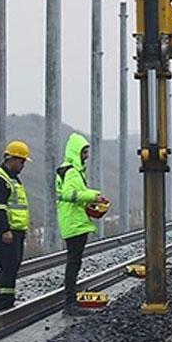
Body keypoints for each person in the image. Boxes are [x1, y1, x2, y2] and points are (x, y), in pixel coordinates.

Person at [56, 132, 106, 315]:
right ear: (76, 152)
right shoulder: (71, 172)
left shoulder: (73, 171)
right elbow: (70, 194)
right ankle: (69, 302)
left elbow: (78, 192)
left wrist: (95, 194)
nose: (86, 156)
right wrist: (94, 196)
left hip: (75, 221)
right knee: (73, 261)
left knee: (74, 261)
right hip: (74, 222)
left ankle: (70, 299)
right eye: (84, 152)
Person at [0, 140, 32, 316]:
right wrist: (4, 230)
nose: (23, 165)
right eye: (22, 161)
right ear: (11, 159)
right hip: (5, 231)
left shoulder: (13, 178)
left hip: (15, 231)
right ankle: (4, 304)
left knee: (10, 267)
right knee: (9, 267)